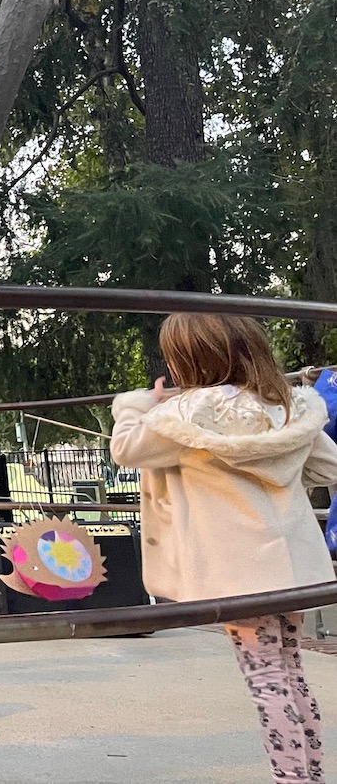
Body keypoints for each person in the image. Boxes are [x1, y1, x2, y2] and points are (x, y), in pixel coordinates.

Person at [111, 312, 337, 784]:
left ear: (187, 360)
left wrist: (135, 402)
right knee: (290, 673)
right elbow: (328, 469)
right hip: (296, 569)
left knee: (267, 682)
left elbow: (127, 449)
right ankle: (310, 773)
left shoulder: (183, 416)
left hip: (235, 574)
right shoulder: (294, 407)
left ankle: (295, 779)